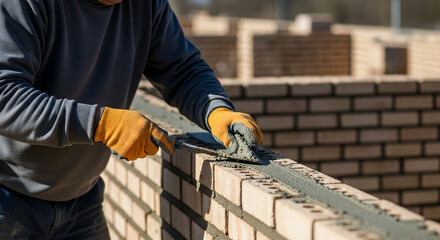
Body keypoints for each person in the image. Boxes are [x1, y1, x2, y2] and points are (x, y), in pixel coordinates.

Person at [0, 0, 263, 239]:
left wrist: (216, 110)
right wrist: (100, 124)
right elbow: (5, 95)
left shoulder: (146, 5)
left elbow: (183, 70)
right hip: (9, 198)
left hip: (81, 201)